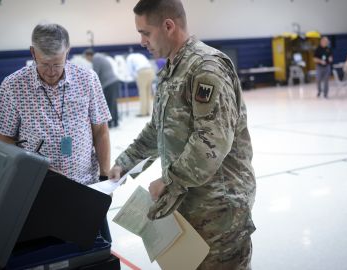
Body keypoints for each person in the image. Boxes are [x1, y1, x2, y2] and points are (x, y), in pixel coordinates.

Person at [109, 0, 256, 269]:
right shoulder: (172, 69)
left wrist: (170, 181)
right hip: (189, 204)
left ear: (168, 26)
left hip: (218, 209)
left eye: (145, 33)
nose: (141, 41)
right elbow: (159, 128)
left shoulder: (206, 68)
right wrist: (125, 163)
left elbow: (211, 140)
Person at [0, 23, 113, 241]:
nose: (51, 72)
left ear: (68, 51)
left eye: (57, 63)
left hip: (85, 186)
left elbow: (101, 130)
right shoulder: (13, 86)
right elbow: (3, 138)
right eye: (44, 64)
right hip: (37, 191)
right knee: (49, 253)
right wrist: (25, 167)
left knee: (94, 251)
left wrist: (104, 176)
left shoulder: (87, 79)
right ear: (32, 52)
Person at [84, 49, 121, 128]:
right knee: (113, 103)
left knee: (108, 104)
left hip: (108, 83)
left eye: (86, 58)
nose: (88, 60)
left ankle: (110, 123)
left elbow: (95, 73)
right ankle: (116, 121)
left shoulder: (96, 58)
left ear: (88, 55)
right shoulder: (100, 56)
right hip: (113, 81)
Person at [126, 52, 156, 116]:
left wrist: (135, 77)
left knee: (142, 93)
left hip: (142, 71)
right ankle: (148, 111)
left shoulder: (129, 58)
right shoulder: (139, 55)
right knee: (148, 93)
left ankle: (143, 112)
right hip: (151, 70)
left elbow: (130, 70)